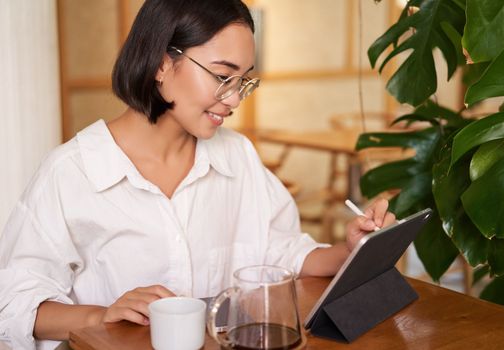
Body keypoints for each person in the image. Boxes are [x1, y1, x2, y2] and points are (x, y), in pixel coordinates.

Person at [0, 0, 395, 349]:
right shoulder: (71, 172)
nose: (235, 97)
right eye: (223, 76)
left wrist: (352, 249)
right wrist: (101, 315)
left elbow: (282, 251)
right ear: (161, 62)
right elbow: (15, 304)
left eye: (243, 81)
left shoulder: (236, 156)